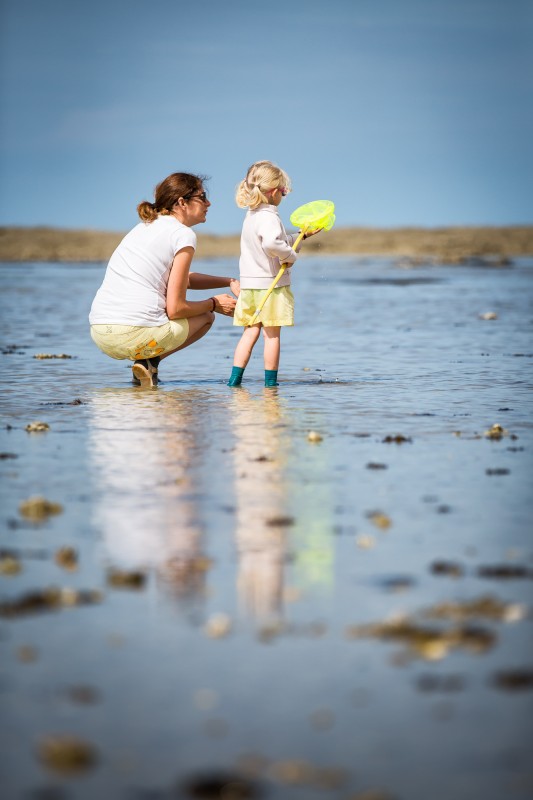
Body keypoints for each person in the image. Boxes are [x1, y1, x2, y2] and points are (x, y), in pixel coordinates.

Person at [89, 172, 239, 387]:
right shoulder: (182, 234)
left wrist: (228, 280)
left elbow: (180, 279)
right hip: (133, 332)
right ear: (181, 202)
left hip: (100, 332)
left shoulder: (143, 228)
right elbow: (176, 309)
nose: (209, 202)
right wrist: (214, 304)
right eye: (202, 196)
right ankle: (150, 361)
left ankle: (146, 368)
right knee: (206, 316)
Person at [227, 161, 319, 388]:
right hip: (271, 287)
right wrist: (290, 257)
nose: (284, 195)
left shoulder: (252, 215)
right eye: (284, 192)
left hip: (250, 287)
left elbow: (273, 242)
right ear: (274, 191)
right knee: (272, 337)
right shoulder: (269, 216)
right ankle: (270, 385)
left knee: (249, 334)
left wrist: (300, 236)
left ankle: (234, 381)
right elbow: (271, 243)